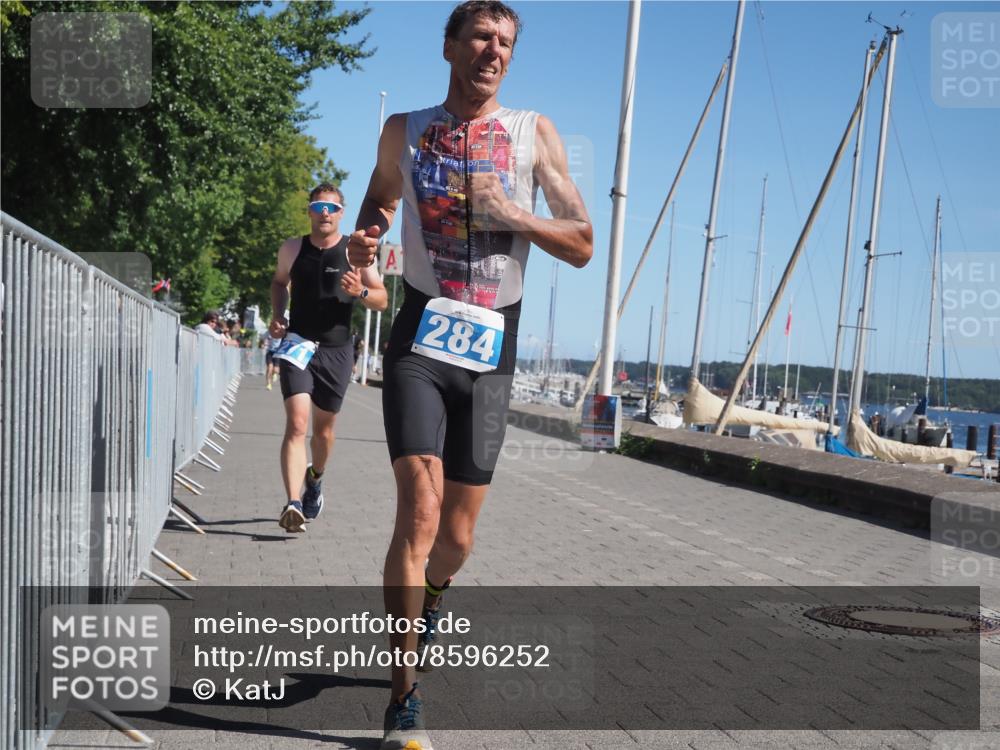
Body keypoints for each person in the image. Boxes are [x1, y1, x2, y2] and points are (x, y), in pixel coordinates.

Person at [346, 3, 592, 747]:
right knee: (418, 510)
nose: (494, 51)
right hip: (421, 332)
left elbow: (582, 242)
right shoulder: (406, 130)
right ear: (450, 45)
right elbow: (380, 201)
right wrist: (367, 241)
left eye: (506, 43)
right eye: (481, 37)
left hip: (490, 348)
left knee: (456, 538)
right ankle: (402, 699)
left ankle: (437, 592)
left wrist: (513, 212)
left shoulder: (532, 133)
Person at [270, 184, 387, 532]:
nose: (324, 212)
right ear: (309, 211)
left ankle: (315, 479)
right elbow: (279, 283)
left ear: (341, 213)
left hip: (337, 351)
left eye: (332, 208)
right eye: (318, 206)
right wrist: (279, 313)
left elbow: (381, 298)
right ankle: (292, 504)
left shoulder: (358, 252)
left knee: (324, 433)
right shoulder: (292, 249)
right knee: (296, 424)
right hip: (298, 344)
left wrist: (361, 291)